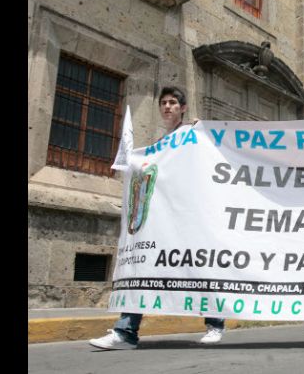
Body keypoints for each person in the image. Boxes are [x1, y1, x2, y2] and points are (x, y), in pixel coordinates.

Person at [89, 86, 226, 350]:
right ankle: (125, 332)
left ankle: (215, 324)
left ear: (183, 108)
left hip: (190, 219)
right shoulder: (160, 145)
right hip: (162, 221)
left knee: (199, 271)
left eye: (173, 102)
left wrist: (205, 130)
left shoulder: (192, 135)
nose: (167, 107)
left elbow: (212, 157)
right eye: (163, 103)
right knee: (143, 270)